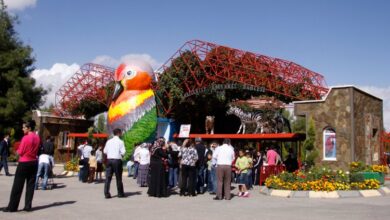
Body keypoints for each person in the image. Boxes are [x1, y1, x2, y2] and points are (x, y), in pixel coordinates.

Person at [4, 121, 40, 212]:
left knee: (17, 185)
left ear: (29, 128)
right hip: (34, 162)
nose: (22, 129)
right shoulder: (37, 138)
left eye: (24, 127)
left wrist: (16, 152)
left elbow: (20, 152)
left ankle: (12, 207)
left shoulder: (25, 138)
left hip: (24, 162)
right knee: (30, 185)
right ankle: (28, 206)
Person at [103, 128, 126, 198]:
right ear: (119, 133)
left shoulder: (109, 141)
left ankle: (106, 193)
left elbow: (105, 151)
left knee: (108, 178)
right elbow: (123, 152)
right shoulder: (120, 142)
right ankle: (120, 193)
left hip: (109, 160)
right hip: (117, 160)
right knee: (118, 177)